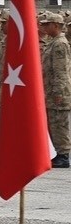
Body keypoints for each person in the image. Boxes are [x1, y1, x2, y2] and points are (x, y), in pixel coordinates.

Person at [39, 12, 71, 169]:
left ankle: (63, 154)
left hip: (58, 92)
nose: (43, 27)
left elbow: (61, 71)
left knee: (60, 124)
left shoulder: (60, 44)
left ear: (56, 26)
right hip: (52, 91)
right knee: (55, 123)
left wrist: (58, 91)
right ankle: (61, 152)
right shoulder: (54, 42)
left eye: (47, 24)